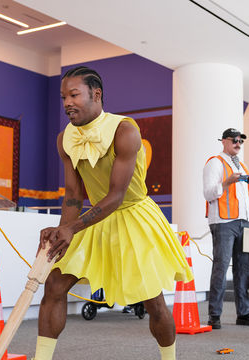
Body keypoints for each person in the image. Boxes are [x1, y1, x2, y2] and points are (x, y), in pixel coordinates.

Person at [35, 66, 193, 360]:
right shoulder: (64, 139)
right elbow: (73, 195)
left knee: (153, 301)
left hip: (132, 215)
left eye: (74, 95)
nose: (67, 102)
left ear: (96, 95)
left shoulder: (125, 130)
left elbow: (116, 196)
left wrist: (72, 228)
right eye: (63, 97)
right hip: (93, 217)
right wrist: (60, 234)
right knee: (54, 284)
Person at [203, 128, 249, 329]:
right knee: (221, 267)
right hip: (223, 222)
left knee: (243, 269)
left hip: (244, 221)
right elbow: (208, 193)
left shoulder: (243, 166)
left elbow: (248, 194)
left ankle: (243, 313)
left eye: (241, 141)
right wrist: (226, 183)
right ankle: (214, 315)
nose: (238, 143)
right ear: (224, 141)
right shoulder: (215, 162)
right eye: (234, 140)